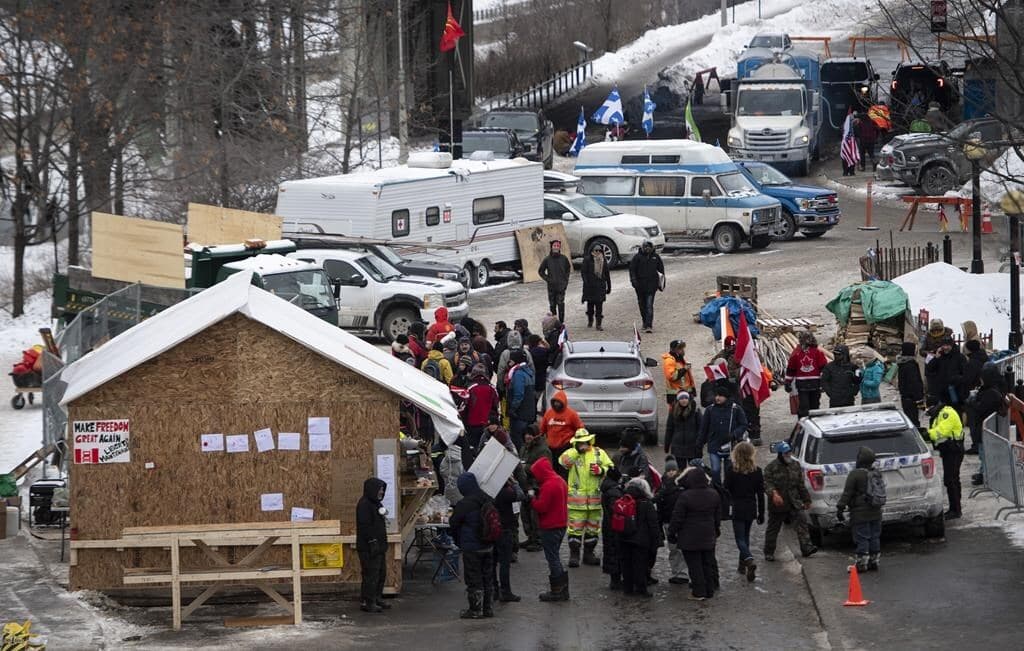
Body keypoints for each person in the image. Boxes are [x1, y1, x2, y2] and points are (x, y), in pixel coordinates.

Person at [559, 428, 614, 568]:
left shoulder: (598, 453)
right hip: (577, 503)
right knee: (575, 530)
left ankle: (589, 555)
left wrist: (601, 470)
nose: (584, 444)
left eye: (585, 442)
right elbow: (563, 462)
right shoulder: (572, 454)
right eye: (580, 442)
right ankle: (574, 555)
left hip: (595, 502)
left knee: (593, 530)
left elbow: (611, 467)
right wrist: (576, 450)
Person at [668, 466, 722, 601]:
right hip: (708, 535)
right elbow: (717, 516)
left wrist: (672, 533)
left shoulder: (685, 496)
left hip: (689, 537)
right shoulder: (713, 494)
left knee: (694, 565)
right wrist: (716, 529)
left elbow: (677, 518)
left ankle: (699, 592)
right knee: (707, 563)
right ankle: (709, 590)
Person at [449, 472, 496, 619]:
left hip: (472, 546)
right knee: (487, 576)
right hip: (488, 544)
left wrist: (458, 541)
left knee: (473, 577)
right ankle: (488, 608)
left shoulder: (464, 504)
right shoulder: (486, 498)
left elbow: (453, 524)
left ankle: (475, 609)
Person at [763, 441, 816, 561]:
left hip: (794, 502)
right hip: (778, 505)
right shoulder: (771, 468)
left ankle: (806, 547)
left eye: (789, 452)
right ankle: (769, 551)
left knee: (802, 522)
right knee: (773, 528)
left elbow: (800, 485)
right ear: (780, 454)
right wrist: (774, 494)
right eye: (786, 453)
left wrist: (806, 499)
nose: (788, 455)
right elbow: (767, 484)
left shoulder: (795, 465)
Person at [836, 446, 883, 572]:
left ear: (860, 460)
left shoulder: (855, 474)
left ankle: (861, 563)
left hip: (860, 513)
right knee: (874, 536)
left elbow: (847, 493)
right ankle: (874, 561)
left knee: (862, 537)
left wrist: (840, 508)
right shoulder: (876, 473)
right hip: (876, 511)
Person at [530, 456, 570, 601]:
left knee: (552, 558)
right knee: (555, 556)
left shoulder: (548, 485)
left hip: (550, 526)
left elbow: (541, 507)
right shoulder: (560, 480)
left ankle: (558, 590)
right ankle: (561, 589)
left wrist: (533, 499)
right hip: (561, 525)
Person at [724, 441, 764, 582]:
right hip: (751, 507)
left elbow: (725, 489)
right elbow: (760, 494)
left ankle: (748, 560)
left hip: (738, 507)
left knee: (740, 539)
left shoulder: (731, 470)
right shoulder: (757, 471)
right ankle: (742, 566)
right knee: (745, 536)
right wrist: (761, 513)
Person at [619, 477, 662, 598]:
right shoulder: (647, 504)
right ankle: (641, 589)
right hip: (641, 540)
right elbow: (653, 524)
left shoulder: (623, 501)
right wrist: (656, 541)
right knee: (640, 565)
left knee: (626, 564)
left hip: (624, 538)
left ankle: (628, 588)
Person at [698, 385, 748, 485]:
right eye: (716, 395)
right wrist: (699, 444)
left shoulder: (735, 409)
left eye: (720, 395)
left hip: (730, 446)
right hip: (714, 445)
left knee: (729, 471)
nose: (717, 398)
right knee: (715, 470)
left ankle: (727, 490)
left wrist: (734, 434)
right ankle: (717, 489)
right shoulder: (710, 410)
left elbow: (743, 424)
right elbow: (703, 429)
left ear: (726, 397)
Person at [927, 397, 965, 519]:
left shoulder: (946, 413)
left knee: (951, 480)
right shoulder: (939, 414)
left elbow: (941, 431)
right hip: (948, 450)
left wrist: (927, 434)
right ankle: (955, 507)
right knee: (952, 479)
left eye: (928, 408)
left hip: (954, 450)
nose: (927, 411)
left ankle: (956, 510)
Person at [356, 477, 390, 613]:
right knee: (371, 574)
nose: (381, 492)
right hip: (369, 547)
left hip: (378, 546)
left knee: (381, 573)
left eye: (382, 489)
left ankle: (376, 597)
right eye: (380, 489)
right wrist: (372, 541)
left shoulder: (376, 504)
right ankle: (368, 601)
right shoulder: (364, 504)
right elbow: (365, 526)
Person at [653, 457, 688, 584]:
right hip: (667, 520)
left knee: (680, 548)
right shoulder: (663, 485)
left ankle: (683, 573)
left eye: (674, 470)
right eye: (669, 470)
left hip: (679, 521)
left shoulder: (682, 484)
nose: (671, 472)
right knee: (673, 549)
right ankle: (677, 572)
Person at [970, 364, 1006, 485]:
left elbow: (981, 408)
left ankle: (986, 475)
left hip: (986, 428)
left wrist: (973, 402)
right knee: (983, 453)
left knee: (985, 454)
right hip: (985, 427)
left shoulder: (991, 392)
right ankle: (983, 472)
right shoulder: (991, 389)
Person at [493, 477, 525, 602]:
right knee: (504, 563)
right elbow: (521, 495)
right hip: (505, 529)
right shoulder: (506, 492)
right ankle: (505, 591)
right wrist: (515, 482)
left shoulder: (489, 491)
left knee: (492, 562)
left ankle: (494, 589)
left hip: (493, 529)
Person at [539, 390, 584, 479]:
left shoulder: (571, 414)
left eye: (559, 402)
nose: (556, 404)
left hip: (565, 447)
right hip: (551, 448)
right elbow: (542, 429)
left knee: (564, 471)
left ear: (563, 402)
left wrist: (578, 442)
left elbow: (580, 429)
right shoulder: (549, 413)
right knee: (553, 470)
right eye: (555, 402)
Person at [520, 424, 551, 552]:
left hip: (536, 486)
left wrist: (525, 467)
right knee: (525, 513)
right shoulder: (524, 448)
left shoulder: (543, 450)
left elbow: (545, 469)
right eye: (526, 434)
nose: (528, 436)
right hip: (526, 485)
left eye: (530, 434)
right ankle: (530, 537)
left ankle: (538, 540)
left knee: (535, 515)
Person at [784, 331, 828, 417]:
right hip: (804, 385)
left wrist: (824, 382)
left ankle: (812, 424)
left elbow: (823, 368)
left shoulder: (817, 353)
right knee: (805, 406)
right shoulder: (797, 353)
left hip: (813, 384)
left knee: (813, 406)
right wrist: (788, 382)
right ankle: (804, 425)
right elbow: (791, 369)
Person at [464, 368, 499, 462]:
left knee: (474, 446)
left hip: (473, 423)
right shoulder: (491, 387)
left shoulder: (471, 387)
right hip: (487, 423)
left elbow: (465, 405)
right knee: (486, 448)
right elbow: (496, 405)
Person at [628, 240, 664, 333]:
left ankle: (649, 325)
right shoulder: (637, 258)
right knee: (642, 305)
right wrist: (634, 281)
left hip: (652, 286)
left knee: (649, 305)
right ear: (642, 247)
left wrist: (661, 284)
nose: (647, 248)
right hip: (640, 286)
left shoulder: (656, 257)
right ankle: (644, 322)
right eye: (645, 247)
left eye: (649, 246)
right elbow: (632, 270)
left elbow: (661, 272)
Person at [506, 349, 536, 451]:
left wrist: (513, 408)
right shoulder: (528, 372)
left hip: (520, 414)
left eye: (510, 360)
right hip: (528, 412)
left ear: (515, 361)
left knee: (518, 439)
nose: (508, 362)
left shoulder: (518, 374)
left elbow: (519, 394)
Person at [600, 467, 625, 590]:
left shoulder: (608, 488)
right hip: (614, 527)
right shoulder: (614, 492)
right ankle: (615, 580)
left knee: (611, 550)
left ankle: (615, 579)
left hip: (608, 525)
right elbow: (616, 510)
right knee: (614, 551)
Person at [665, 390, 703, 465]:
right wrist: (667, 445)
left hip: (692, 447)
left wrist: (699, 444)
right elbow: (669, 429)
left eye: (686, 398)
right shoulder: (673, 412)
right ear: (678, 400)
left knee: (693, 470)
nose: (684, 400)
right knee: (681, 471)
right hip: (678, 447)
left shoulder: (695, 411)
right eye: (681, 398)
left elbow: (701, 429)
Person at [925, 337, 965, 408]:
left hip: (954, 391)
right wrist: (936, 358)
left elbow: (964, 374)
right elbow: (929, 369)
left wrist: (955, 380)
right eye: (944, 345)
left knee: (955, 410)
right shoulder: (939, 356)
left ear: (952, 345)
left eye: (948, 345)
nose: (945, 347)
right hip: (941, 392)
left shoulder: (959, 357)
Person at [538, 240, 571, 323]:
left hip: (561, 286)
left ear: (559, 247)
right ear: (551, 247)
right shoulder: (547, 259)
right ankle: (554, 321)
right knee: (552, 305)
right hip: (551, 287)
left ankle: (561, 322)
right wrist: (548, 279)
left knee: (560, 304)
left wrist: (565, 280)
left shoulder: (564, 258)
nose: (556, 247)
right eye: (554, 246)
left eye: (557, 246)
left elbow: (568, 269)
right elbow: (541, 271)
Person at [581, 245, 611, 329]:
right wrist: (586, 282)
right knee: (590, 306)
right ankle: (590, 320)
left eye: (599, 250)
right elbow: (583, 272)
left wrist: (609, 286)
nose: (597, 252)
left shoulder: (603, 260)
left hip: (600, 286)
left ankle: (598, 324)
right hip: (590, 287)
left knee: (599, 307)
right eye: (596, 250)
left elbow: (607, 274)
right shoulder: (587, 260)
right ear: (592, 251)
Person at [897, 342, 925, 430]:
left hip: (905, 398)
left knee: (909, 419)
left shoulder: (902, 363)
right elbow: (914, 383)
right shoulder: (910, 365)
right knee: (914, 421)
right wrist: (919, 398)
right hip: (912, 399)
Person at [662, 340, 697, 406]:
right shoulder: (669, 361)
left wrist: (692, 390)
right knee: (676, 414)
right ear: (674, 350)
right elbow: (672, 376)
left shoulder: (679, 359)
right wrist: (684, 369)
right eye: (680, 348)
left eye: (682, 348)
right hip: (675, 395)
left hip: (684, 392)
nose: (683, 350)